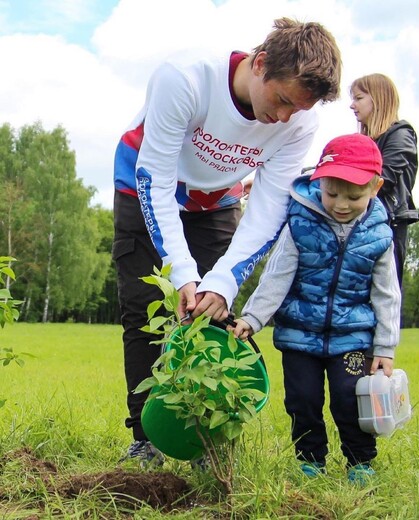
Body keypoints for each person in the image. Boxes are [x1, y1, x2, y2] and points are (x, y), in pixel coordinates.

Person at [112, 17, 342, 466]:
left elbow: (269, 208)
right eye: (280, 101)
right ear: (260, 64)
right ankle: (145, 440)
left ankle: (206, 440)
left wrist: (223, 281)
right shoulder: (185, 80)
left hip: (215, 199)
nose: (282, 118)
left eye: (296, 109)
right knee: (144, 309)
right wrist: (181, 270)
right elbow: (154, 178)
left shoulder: (299, 122)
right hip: (146, 181)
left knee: (213, 312)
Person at [230, 134, 401, 483]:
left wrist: (384, 347)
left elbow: (387, 294)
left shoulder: (379, 235)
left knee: (349, 398)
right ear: (318, 182)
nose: (340, 204)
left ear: (375, 187)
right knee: (303, 400)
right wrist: (253, 317)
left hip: (351, 337)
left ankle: (360, 462)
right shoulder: (301, 222)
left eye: (353, 196)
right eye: (331, 193)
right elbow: (277, 275)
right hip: (298, 335)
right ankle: (310, 461)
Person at [350, 73, 419, 287]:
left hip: (389, 224)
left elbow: (382, 180)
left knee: (385, 293)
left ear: (378, 99)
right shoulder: (364, 141)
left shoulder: (401, 135)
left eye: (358, 98)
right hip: (363, 223)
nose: (352, 106)